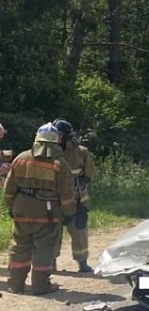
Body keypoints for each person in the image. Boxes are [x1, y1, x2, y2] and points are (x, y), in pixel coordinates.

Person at [3, 122, 75, 295]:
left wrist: (10, 206)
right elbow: (66, 194)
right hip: (47, 213)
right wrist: (69, 213)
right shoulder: (60, 163)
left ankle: (15, 284)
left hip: (21, 210)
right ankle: (41, 286)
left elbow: (9, 188)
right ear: (56, 140)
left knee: (19, 246)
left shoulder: (21, 158)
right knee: (44, 248)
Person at [51, 119, 97, 273]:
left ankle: (81, 262)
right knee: (54, 230)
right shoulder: (50, 150)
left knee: (78, 229)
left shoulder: (81, 151)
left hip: (74, 199)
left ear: (62, 134)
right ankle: (54, 263)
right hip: (55, 198)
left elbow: (89, 174)